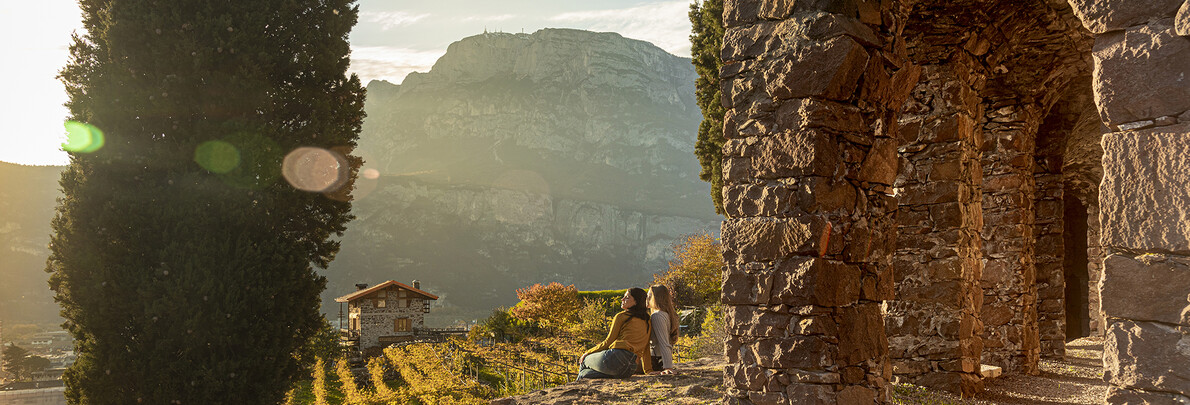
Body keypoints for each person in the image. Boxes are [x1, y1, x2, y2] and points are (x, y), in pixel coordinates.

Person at [577, 288, 653, 379]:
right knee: (584, 374)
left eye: (627, 297)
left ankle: (577, 384)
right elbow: (646, 347)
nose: (622, 299)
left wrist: (587, 353)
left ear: (636, 302)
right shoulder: (647, 320)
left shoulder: (621, 316)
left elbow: (608, 342)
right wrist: (648, 370)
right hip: (630, 368)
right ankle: (580, 378)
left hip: (616, 357)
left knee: (584, 360)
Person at [647, 285, 679, 375]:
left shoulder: (657, 316)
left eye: (649, 296)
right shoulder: (666, 314)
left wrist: (668, 367)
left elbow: (664, 342)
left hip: (656, 360)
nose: (646, 299)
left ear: (655, 298)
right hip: (659, 360)